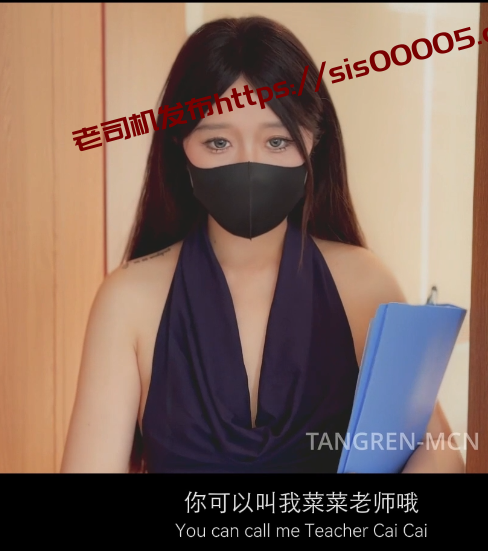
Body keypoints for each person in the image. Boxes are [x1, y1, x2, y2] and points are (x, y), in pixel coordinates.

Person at [61, 16, 464, 473]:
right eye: (218, 142)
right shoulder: (128, 300)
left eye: (276, 140)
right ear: (180, 144)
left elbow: (436, 452)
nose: (249, 164)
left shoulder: (364, 284)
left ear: (314, 140)